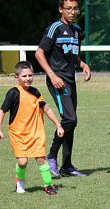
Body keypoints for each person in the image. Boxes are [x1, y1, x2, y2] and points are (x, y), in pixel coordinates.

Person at [35, 0, 91, 178]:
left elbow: (73, 54)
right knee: (70, 119)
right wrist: (52, 75)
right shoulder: (55, 28)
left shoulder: (77, 30)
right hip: (57, 81)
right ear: (61, 9)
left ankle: (67, 165)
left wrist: (82, 64)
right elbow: (39, 53)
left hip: (70, 81)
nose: (73, 12)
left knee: (71, 123)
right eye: (68, 9)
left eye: (75, 8)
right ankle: (51, 156)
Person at [0, 61, 64, 195]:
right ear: (17, 77)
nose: (28, 78)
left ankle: (48, 185)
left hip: (36, 133)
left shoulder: (35, 92)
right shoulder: (13, 93)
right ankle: (19, 182)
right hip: (18, 134)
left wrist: (58, 125)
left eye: (30, 75)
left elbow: (47, 109)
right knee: (22, 162)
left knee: (41, 159)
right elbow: (2, 111)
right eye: (24, 76)